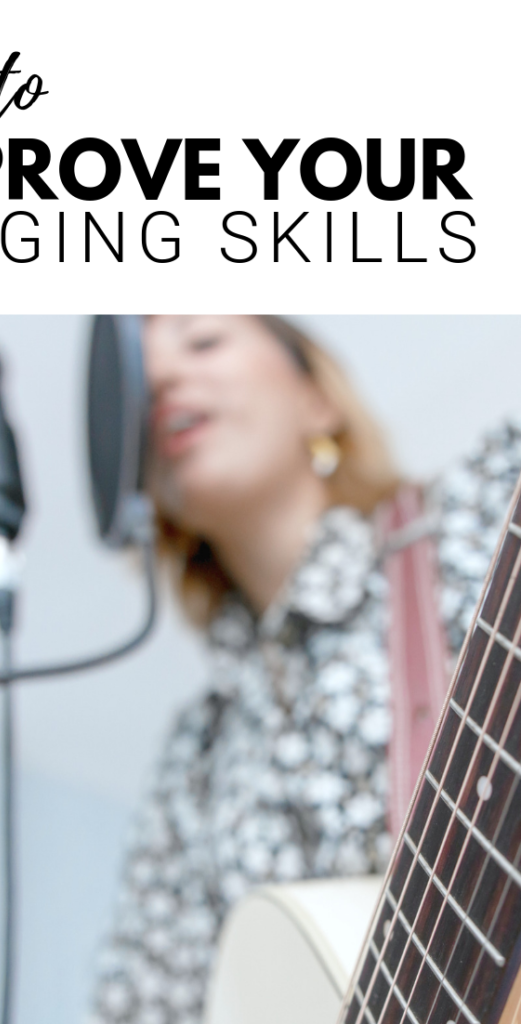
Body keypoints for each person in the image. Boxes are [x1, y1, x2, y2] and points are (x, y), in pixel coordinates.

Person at [90, 315, 521, 1024]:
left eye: (202, 342)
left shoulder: (478, 515)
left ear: (316, 401)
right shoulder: (192, 757)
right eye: (141, 382)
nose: (163, 380)